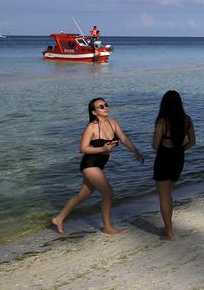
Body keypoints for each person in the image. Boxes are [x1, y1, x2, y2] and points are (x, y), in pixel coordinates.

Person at [52, 98, 144, 235]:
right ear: (94, 112)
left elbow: (123, 138)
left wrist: (135, 151)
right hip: (89, 165)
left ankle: (58, 218)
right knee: (108, 193)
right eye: (101, 107)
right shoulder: (92, 127)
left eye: (106, 105)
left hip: (100, 165)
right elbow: (82, 148)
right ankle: (107, 227)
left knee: (82, 195)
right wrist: (102, 149)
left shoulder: (113, 123)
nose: (105, 108)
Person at [152, 90, 196, 241]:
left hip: (164, 158)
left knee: (163, 196)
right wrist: (180, 150)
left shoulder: (162, 122)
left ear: (164, 104)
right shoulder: (187, 120)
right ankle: (168, 226)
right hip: (178, 158)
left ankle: (169, 232)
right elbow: (192, 142)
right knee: (169, 193)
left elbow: (155, 145)